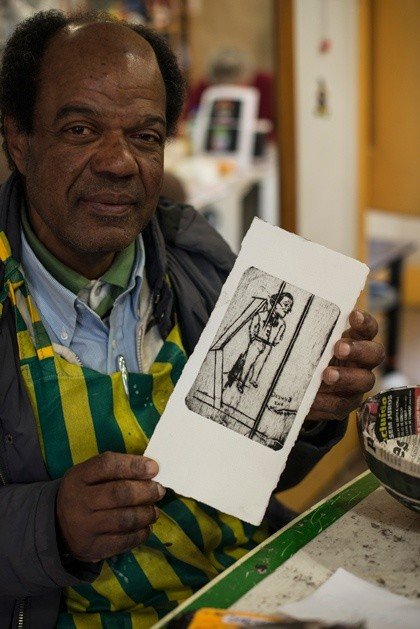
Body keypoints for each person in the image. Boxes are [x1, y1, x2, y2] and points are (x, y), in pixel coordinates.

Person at [0, 11, 384, 629]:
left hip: (244, 591)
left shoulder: (195, 257)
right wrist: (51, 526)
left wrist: (306, 413)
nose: (119, 162)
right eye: (80, 129)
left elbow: (258, 476)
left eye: (145, 136)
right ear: (19, 140)